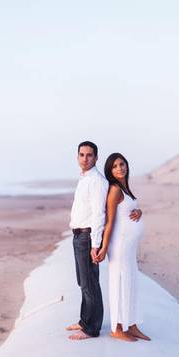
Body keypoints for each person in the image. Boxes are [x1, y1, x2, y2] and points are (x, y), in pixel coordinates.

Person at [95, 153, 149, 342]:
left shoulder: (125, 188)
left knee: (131, 281)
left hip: (129, 246)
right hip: (119, 245)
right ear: (110, 171)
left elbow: (128, 211)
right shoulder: (115, 190)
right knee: (119, 282)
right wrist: (103, 247)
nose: (120, 168)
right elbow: (109, 222)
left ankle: (131, 325)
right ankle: (117, 328)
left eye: (122, 164)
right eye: (115, 166)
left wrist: (139, 211)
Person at [66, 141, 109, 340]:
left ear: (96, 157)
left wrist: (95, 244)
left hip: (87, 237)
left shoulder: (97, 181)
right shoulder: (84, 179)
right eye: (81, 155)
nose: (85, 158)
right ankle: (84, 320)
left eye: (89, 155)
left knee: (90, 283)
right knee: (83, 282)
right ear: (77, 157)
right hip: (78, 235)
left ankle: (92, 328)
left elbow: (99, 215)